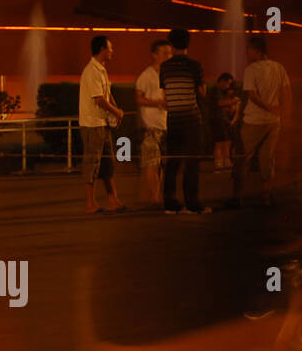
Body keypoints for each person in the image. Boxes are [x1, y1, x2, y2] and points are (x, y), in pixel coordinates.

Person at [232, 36, 292, 207]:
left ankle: (238, 197)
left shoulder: (251, 69)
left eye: (249, 50)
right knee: (268, 159)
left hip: (254, 121)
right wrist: (282, 112)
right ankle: (267, 196)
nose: (247, 53)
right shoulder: (279, 67)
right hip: (274, 122)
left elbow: (252, 95)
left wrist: (268, 107)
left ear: (256, 51)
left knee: (242, 158)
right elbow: (287, 91)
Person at [159, 27, 210, 214]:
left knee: (172, 162)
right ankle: (192, 203)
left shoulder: (165, 67)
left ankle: (170, 204)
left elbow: (165, 95)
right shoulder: (194, 66)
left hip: (173, 120)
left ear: (171, 45)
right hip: (191, 120)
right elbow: (202, 92)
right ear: (188, 44)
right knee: (192, 163)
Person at [80, 35, 126, 213]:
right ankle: (90, 203)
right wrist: (117, 112)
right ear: (102, 49)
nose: (112, 51)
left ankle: (113, 200)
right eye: (110, 48)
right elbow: (99, 99)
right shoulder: (92, 71)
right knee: (92, 163)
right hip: (92, 124)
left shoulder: (101, 70)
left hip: (102, 123)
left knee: (107, 163)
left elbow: (106, 95)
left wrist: (115, 111)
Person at [134, 39, 171, 207]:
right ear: (154, 55)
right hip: (149, 126)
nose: (168, 56)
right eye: (165, 53)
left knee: (160, 163)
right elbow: (138, 99)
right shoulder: (146, 75)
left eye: (170, 53)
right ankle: (154, 197)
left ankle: (155, 196)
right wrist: (158, 103)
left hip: (164, 124)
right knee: (151, 162)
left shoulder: (166, 75)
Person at [207, 73, 239, 171]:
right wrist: (233, 101)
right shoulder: (215, 91)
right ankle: (218, 163)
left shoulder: (221, 92)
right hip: (217, 119)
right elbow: (219, 103)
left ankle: (226, 161)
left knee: (226, 141)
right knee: (219, 142)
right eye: (227, 84)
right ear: (222, 81)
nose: (228, 86)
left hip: (224, 119)